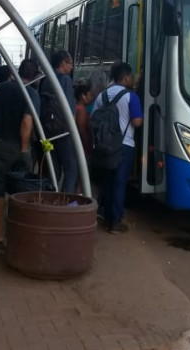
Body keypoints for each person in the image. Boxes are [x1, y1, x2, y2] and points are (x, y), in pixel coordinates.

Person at [0, 59, 40, 244]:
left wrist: (1, 121)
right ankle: (19, 235)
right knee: (22, 191)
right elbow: (26, 122)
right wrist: (24, 148)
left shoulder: (3, 88)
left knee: (0, 190)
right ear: (35, 75)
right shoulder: (31, 93)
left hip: (1, 145)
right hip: (20, 147)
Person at [91, 62, 143, 234]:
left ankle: (105, 217)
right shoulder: (131, 96)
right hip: (124, 146)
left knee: (107, 182)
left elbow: (94, 121)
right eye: (131, 77)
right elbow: (136, 122)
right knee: (119, 184)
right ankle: (115, 222)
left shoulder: (102, 96)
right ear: (126, 77)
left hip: (104, 146)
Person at [41, 50, 79, 193]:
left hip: (47, 132)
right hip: (63, 132)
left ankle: (50, 200)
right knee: (71, 169)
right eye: (70, 63)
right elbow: (70, 109)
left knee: (53, 169)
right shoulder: (65, 80)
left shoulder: (46, 79)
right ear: (63, 64)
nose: (72, 67)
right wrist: (73, 131)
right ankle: (66, 203)